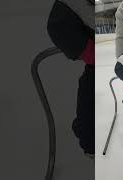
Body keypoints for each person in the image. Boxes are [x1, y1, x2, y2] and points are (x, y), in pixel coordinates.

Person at [47, 0, 94, 159]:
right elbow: (58, 26)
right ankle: (89, 140)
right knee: (91, 96)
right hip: (96, 59)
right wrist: (87, 50)